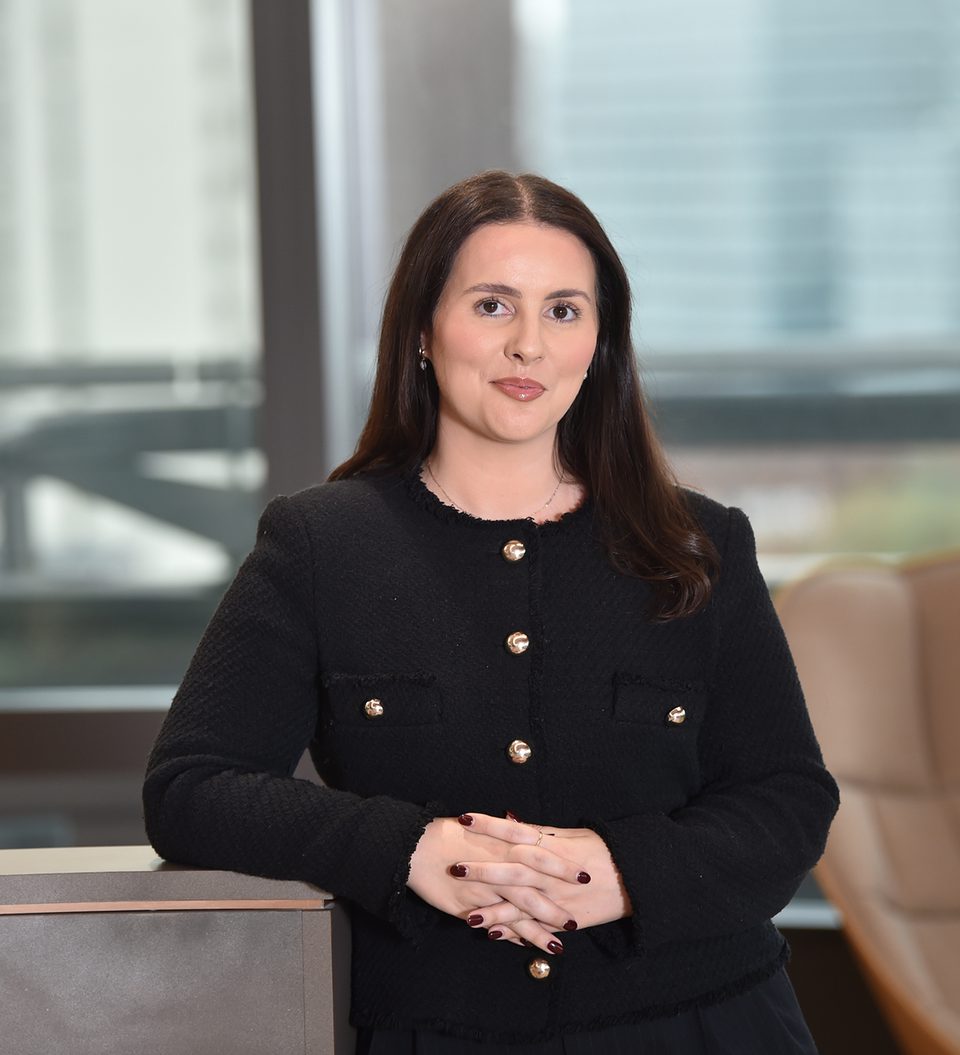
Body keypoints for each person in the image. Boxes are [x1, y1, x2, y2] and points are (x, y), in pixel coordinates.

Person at [143, 170, 839, 1053]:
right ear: (424, 332)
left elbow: (788, 797)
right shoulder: (321, 543)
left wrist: (624, 872)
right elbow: (190, 789)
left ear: (600, 342)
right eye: (491, 305)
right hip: (429, 1029)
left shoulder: (701, 541)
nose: (528, 347)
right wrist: (413, 848)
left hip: (704, 1024)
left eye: (562, 311)